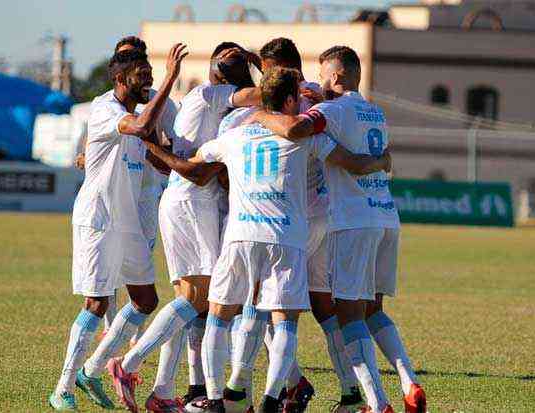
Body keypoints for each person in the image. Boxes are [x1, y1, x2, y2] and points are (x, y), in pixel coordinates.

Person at [146, 66, 391, 413]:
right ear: (291, 99)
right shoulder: (305, 138)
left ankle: (217, 398)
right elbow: (353, 164)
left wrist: (154, 149)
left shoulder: (234, 135)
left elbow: (194, 168)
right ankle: (270, 399)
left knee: (219, 314)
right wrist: (381, 159)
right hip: (286, 239)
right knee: (284, 321)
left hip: (240, 236)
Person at [248, 46, 427, 413]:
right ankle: (408, 382)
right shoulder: (375, 111)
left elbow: (298, 128)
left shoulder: (330, 111)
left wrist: (262, 114)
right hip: (385, 216)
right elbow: (380, 158)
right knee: (373, 309)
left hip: (352, 221)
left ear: (332, 76)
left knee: (348, 316)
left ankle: (376, 404)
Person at [104, 42, 261, 413]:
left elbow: (175, 154)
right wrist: (265, 72)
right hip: (193, 202)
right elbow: (263, 95)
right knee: (199, 300)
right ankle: (128, 366)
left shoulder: (206, 102)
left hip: (188, 200)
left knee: (190, 302)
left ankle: (162, 391)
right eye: (237, 73)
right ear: (224, 72)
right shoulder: (210, 93)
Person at [216, 37, 361, 413]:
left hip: (286, 222)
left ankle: (245, 391)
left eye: (266, 72)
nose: (264, 80)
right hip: (322, 215)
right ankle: (348, 390)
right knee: (321, 305)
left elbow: (289, 129)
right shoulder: (319, 99)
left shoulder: (277, 112)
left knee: (259, 303)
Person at [47, 44, 188, 412]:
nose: (149, 85)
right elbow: (139, 128)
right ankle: (62, 388)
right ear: (121, 79)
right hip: (98, 219)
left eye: (152, 78)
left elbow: (154, 155)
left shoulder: (140, 111)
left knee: (146, 300)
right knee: (97, 303)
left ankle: (92, 370)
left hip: (129, 222)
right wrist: (172, 77)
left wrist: (169, 158)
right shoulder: (105, 108)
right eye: (143, 79)